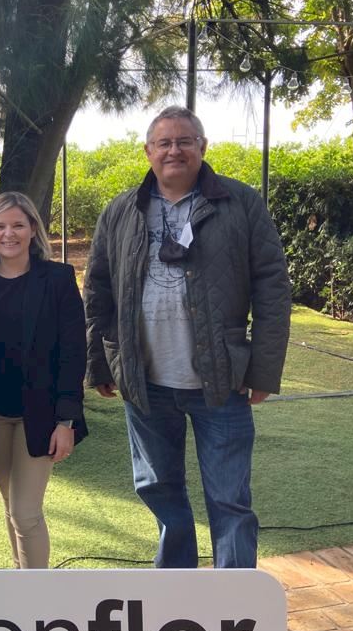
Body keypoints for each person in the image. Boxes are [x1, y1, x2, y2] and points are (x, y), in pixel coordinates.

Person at [83, 105, 290, 569]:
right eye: (164, 143)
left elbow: (272, 287)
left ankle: (232, 596)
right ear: (148, 151)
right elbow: (98, 290)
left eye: (184, 141)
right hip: (145, 382)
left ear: (202, 147)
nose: (173, 150)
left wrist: (263, 370)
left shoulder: (240, 204)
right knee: (159, 490)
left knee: (229, 498)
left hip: (222, 381)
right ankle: (176, 589)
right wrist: (99, 363)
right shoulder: (121, 211)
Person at [0, 192, 87, 569]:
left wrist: (66, 421)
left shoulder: (57, 279)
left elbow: (73, 353)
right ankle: (20, 581)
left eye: (18, 225)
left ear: (33, 229)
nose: (8, 234)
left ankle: (37, 593)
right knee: (11, 505)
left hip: (40, 415)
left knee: (25, 511)